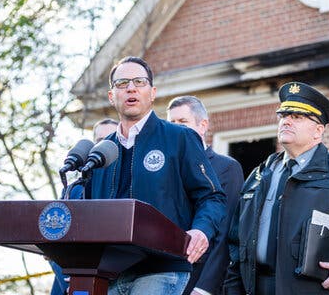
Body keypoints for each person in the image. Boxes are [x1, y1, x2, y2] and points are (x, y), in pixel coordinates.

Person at [225, 82, 329, 295]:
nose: (286, 121)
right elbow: (236, 241)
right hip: (258, 287)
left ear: (318, 131)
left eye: (297, 117)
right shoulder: (259, 176)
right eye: (283, 115)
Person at [87, 56, 226, 295]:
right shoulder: (100, 153)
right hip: (107, 272)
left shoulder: (180, 138)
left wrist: (201, 230)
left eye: (139, 82)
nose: (131, 88)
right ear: (112, 96)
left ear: (152, 93)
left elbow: (212, 197)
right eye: (122, 83)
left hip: (161, 267)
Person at [167, 95, 244, 295]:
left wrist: (204, 288)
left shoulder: (226, 167)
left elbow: (226, 233)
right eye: (171, 123)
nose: (176, 128)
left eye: (183, 122)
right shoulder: (166, 170)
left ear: (202, 125)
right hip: (163, 276)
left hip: (199, 278)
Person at [49, 118, 120, 295]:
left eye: (110, 140)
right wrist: (70, 279)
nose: (102, 145)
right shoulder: (73, 189)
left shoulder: (125, 187)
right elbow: (54, 240)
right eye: (99, 141)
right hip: (67, 283)